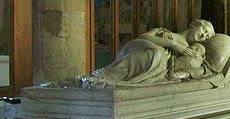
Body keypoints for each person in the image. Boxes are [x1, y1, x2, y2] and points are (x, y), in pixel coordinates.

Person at [56, 20, 217, 88]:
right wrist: (172, 44)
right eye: (204, 30)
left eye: (207, 37)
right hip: (141, 50)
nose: (204, 36)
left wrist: (183, 71)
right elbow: (143, 37)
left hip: (155, 68)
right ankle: (99, 77)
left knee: (157, 56)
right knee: (155, 53)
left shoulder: (192, 51)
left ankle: (96, 80)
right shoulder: (165, 32)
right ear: (195, 23)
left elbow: (199, 70)